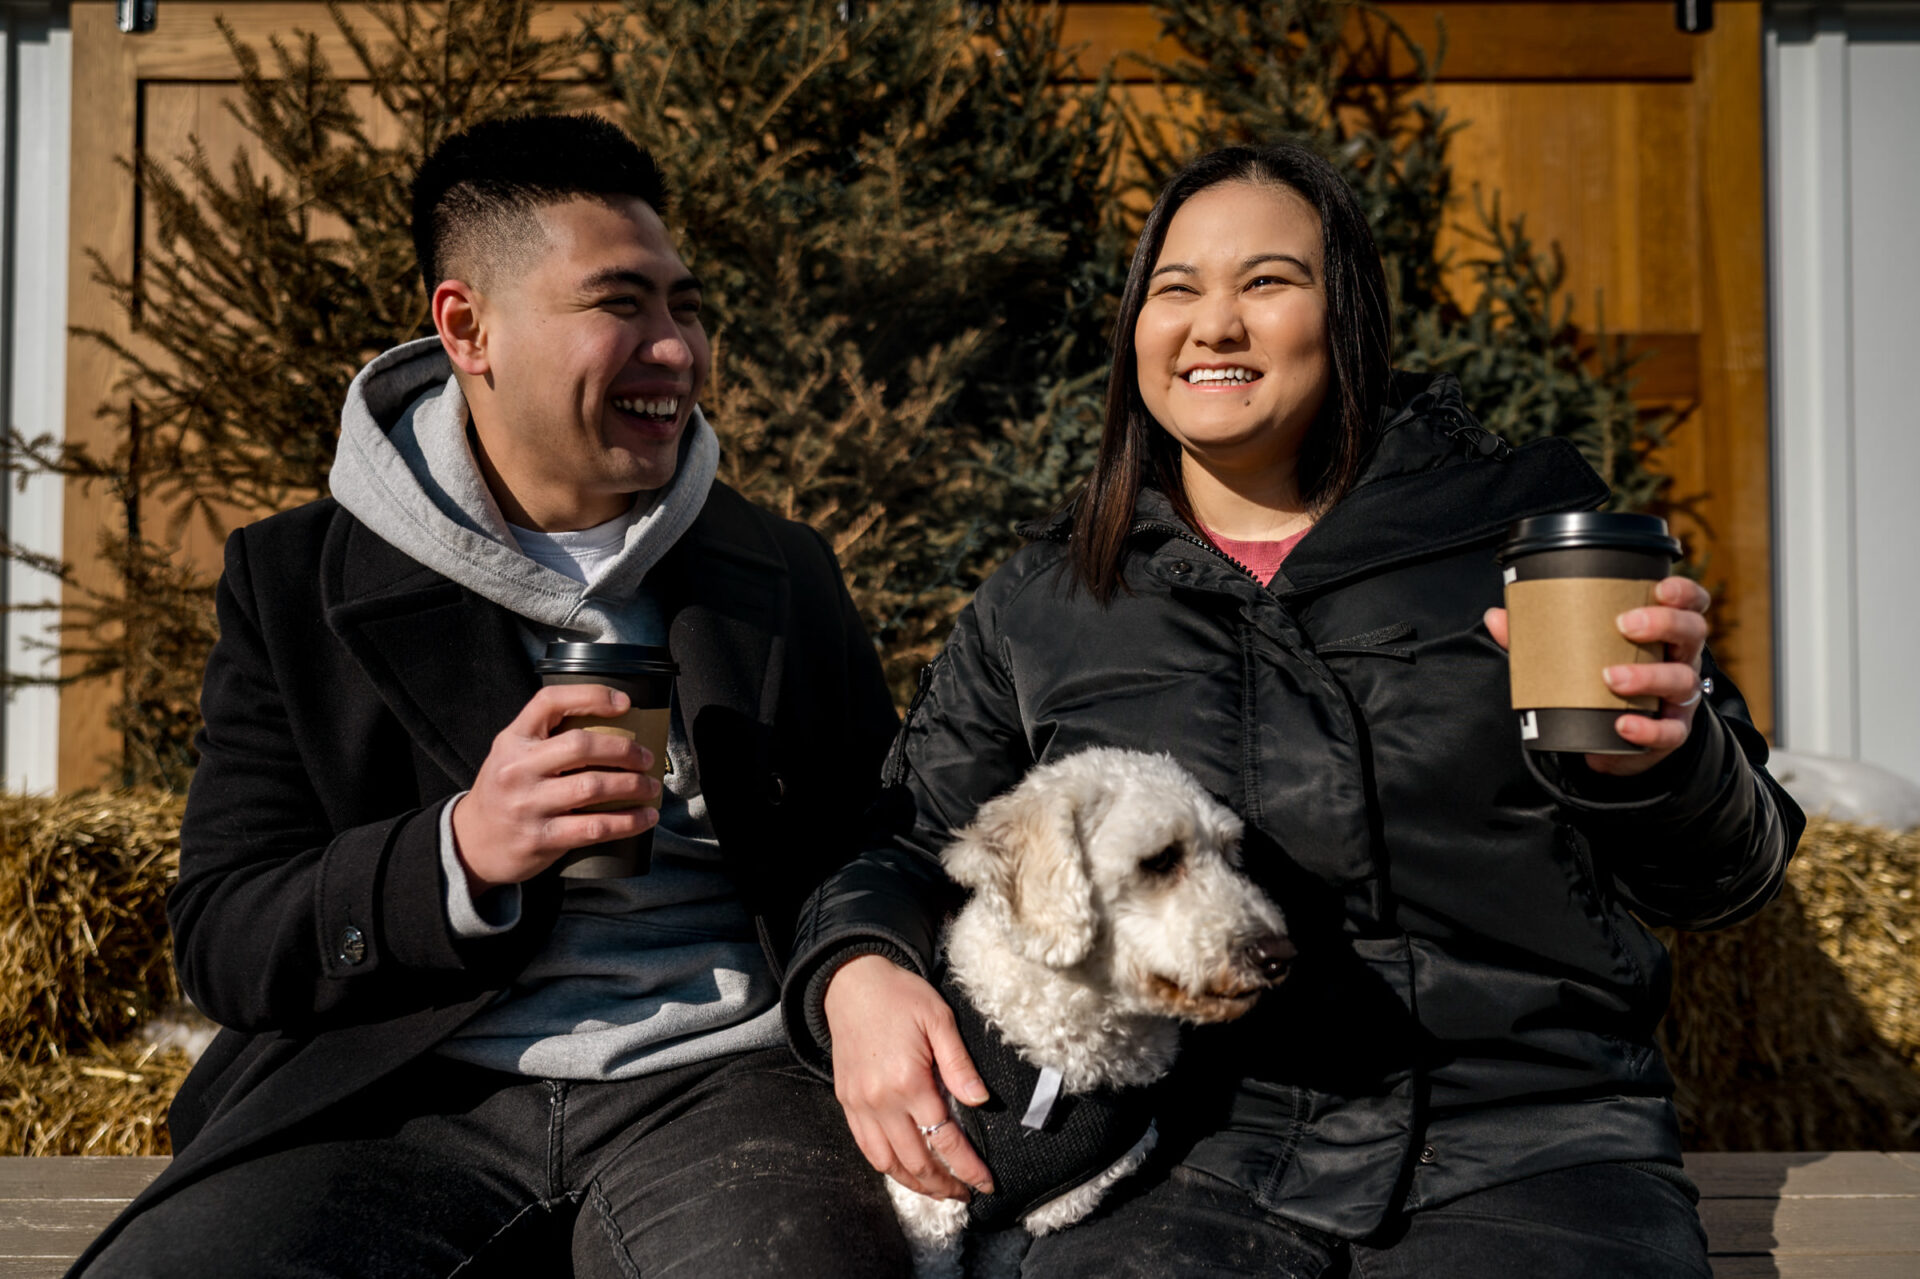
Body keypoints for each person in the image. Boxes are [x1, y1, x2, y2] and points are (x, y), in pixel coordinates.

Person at [781, 142, 1803, 1278]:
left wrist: (1668, 763)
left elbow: (1732, 874)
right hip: (1191, 1155)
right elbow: (908, 840)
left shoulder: (1527, 545)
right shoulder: (1052, 598)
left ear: (1349, 317)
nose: (1213, 324)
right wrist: (856, 966)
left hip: (1532, 1144)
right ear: (1135, 334)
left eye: (1266, 281)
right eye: (1176, 290)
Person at [74, 114, 908, 1278]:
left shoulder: (775, 572)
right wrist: (460, 851)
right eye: (622, 305)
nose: (675, 350)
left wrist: (863, 954)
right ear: (467, 327)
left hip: (724, 1091)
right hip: (394, 1091)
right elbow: (224, 933)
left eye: (686, 306)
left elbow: (881, 842)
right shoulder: (294, 583)